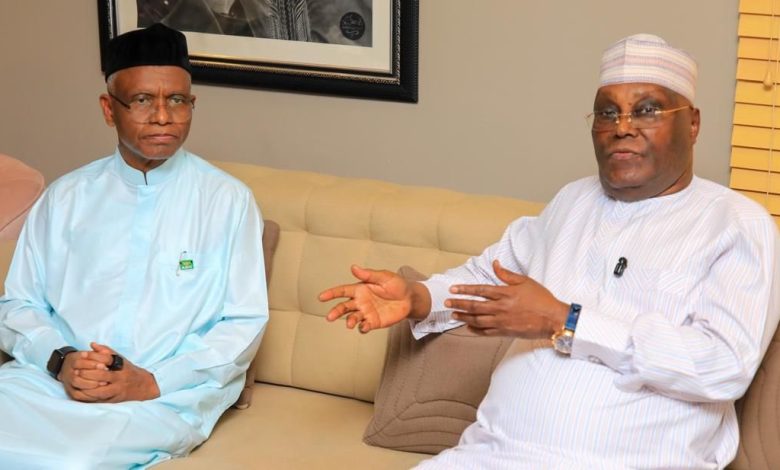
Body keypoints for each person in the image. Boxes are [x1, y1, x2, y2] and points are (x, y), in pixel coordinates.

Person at [319, 34, 780, 469]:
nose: (622, 128)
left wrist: (566, 320)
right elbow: (489, 277)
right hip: (490, 454)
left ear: (692, 123)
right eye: (607, 112)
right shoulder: (571, 201)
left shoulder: (736, 224)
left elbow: (723, 365)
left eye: (646, 110)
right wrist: (418, 297)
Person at [0, 24, 268, 468]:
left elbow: (243, 323)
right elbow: (18, 304)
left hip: (163, 397)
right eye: (143, 100)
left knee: (76, 461)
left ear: (192, 105)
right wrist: (62, 361)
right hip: (51, 383)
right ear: (109, 109)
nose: (163, 116)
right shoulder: (67, 197)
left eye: (177, 100)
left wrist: (152, 381)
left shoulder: (227, 201)